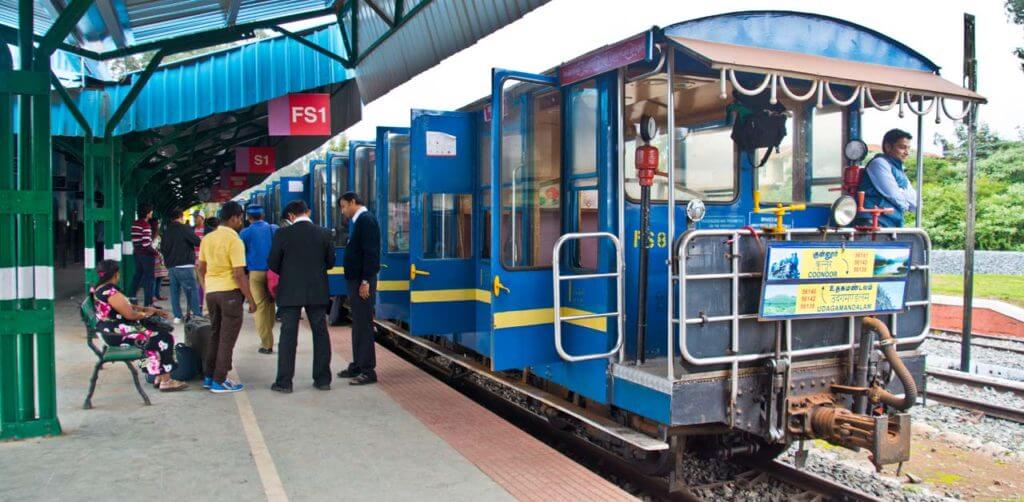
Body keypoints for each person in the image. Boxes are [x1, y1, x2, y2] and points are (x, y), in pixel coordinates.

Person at [268, 200, 335, 392]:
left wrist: (289, 271)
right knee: (320, 334)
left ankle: (284, 382)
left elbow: (272, 263)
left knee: (288, 336)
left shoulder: (282, 234)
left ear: (290, 216)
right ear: (308, 211)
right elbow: (330, 262)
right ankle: (323, 380)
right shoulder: (324, 233)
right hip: (317, 290)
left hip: (290, 292)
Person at [91, 260, 187, 392]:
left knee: (155, 335)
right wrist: (146, 314)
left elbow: (127, 306)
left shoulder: (100, 289)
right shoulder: (110, 292)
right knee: (164, 338)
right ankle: (166, 380)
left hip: (111, 331)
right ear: (115, 274)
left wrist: (150, 310)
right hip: (117, 334)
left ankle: (157, 375)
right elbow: (130, 314)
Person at [197, 201, 256, 394]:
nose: (241, 221)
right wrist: (251, 299)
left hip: (212, 293)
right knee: (227, 338)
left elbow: (200, 268)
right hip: (229, 293)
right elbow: (239, 274)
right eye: (240, 217)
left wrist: (207, 287)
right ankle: (219, 380)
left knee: (215, 334)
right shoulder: (235, 240)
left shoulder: (208, 238)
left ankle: (208, 376)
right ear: (233, 218)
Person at [337, 192, 380, 385]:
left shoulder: (366, 220)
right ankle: (357, 364)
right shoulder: (359, 221)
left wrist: (365, 281)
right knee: (358, 323)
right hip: (356, 281)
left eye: (344, 206)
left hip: (362, 282)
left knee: (363, 325)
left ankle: (368, 370)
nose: (343, 211)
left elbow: (371, 253)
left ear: (353, 202)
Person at [854, 128, 918, 228]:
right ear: (888, 147)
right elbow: (894, 195)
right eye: (902, 147)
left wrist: (902, 194)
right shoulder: (879, 163)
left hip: (892, 221)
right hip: (873, 221)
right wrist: (904, 197)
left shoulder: (899, 170)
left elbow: (916, 203)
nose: (907, 152)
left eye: (908, 148)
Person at [240, 205, 278, 354]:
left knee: (260, 307)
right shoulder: (273, 229)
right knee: (271, 304)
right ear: (263, 215)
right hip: (273, 272)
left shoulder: (245, 233)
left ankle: (266, 344)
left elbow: (241, 254)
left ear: (248, 218)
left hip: (255, 273)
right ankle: (268, 331)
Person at [161, 209, 203, 323]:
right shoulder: (185, 228)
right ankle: (196, 315)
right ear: (181, 217)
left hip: (172, 267)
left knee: (174, 292)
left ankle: (177, 316)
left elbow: (163, 249)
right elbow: (197, 242)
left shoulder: (167, 231)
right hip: (185, 265)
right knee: (192, 290)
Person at [128, 203, 157, 306]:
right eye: (151, 212)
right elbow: (146, 244)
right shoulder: (146, 225)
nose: (152, 213)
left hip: (137, 254)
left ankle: (131, 296)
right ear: (147, 213)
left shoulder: (134, 224)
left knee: (138, 275)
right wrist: (156, 253)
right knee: (149, 279)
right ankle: (148, 304)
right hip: (146, 256)